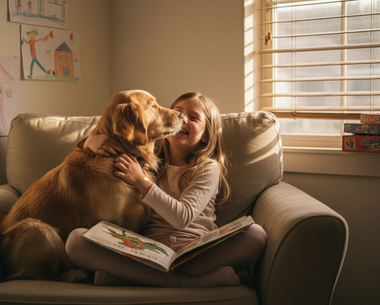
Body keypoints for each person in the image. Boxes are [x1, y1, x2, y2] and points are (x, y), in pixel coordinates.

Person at [65, 92, 267, 287]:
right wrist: (88, 142)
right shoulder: (148, 161)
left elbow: (182, 217)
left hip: (197, 252)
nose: (182, 118)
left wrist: (142, 181)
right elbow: (118, 135)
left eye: (194, 117)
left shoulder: (206, 168)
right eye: (178, 111)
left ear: (206, 136)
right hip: (148, 253)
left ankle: (143, 280)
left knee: (256, 235)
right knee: (76, 240)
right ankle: (185, 282)